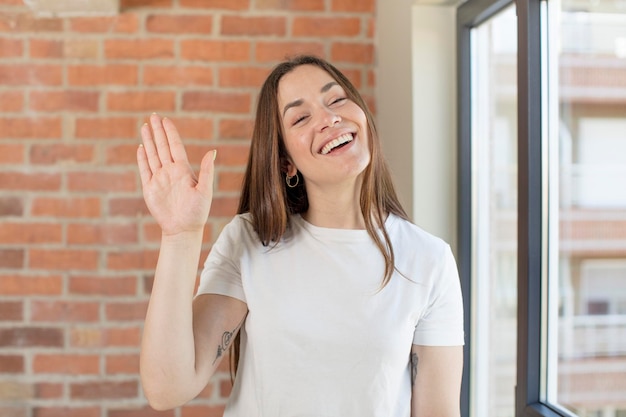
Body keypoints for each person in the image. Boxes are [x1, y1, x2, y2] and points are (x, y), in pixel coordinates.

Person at [137, 54, 464, 417]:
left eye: (336, 99)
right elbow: (167, 388)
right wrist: (180, 235)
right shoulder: (250, 240)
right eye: (301, 117)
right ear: (285, 162)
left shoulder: (429, 259)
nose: (329, 119)